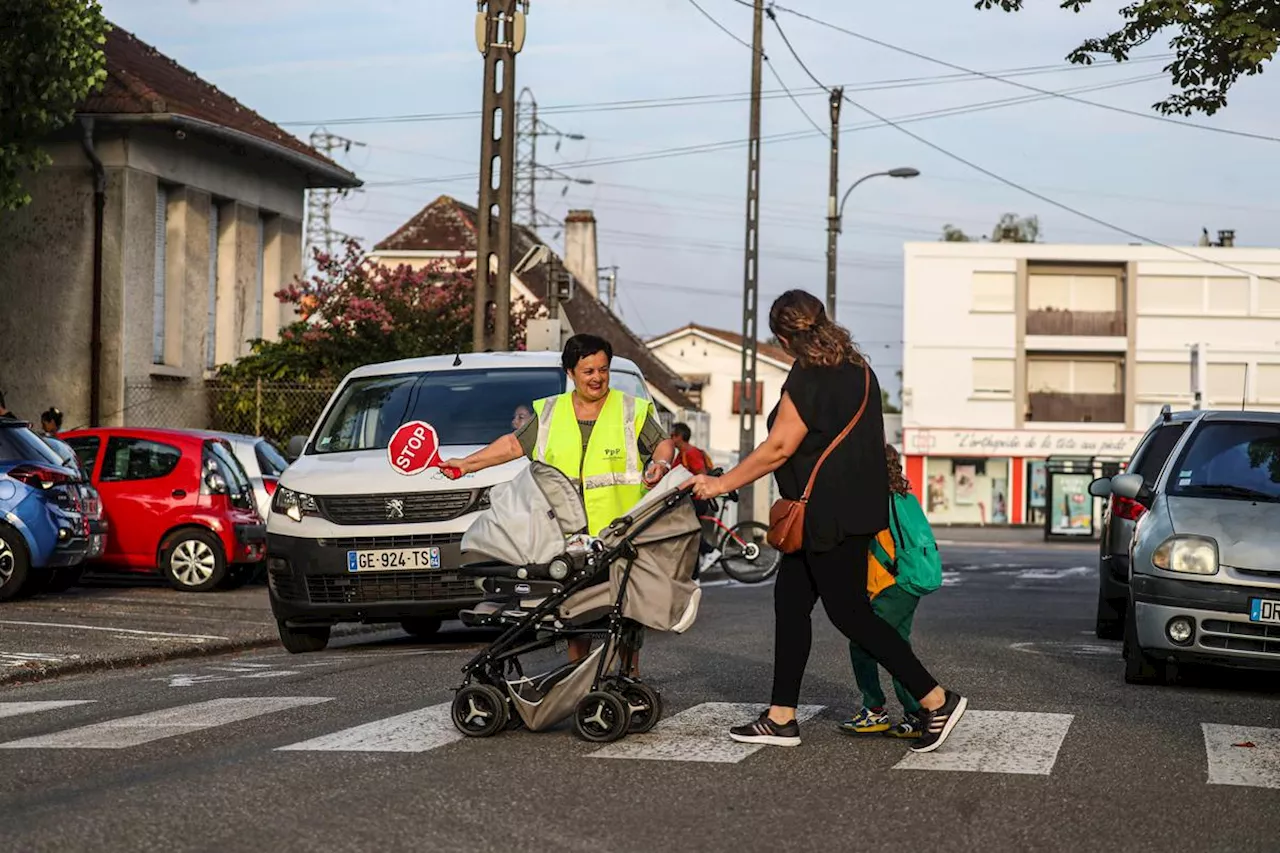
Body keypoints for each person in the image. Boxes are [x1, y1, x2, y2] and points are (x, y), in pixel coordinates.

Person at [686, 289, 967, 754]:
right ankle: (781, 717)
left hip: (823, 518)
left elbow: (779, 447)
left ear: (781, 336)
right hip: (852, 510)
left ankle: (935, 699)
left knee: (851, 614)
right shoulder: (861, 371)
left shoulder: (808, 376)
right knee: (791, 603)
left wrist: (719, 484)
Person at [443, 333, 678, 665]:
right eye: (588, 371)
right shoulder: (551, 412)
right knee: (573, 611)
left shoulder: (630, 410)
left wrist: (660, 463)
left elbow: (662, 443)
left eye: (603, 369)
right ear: (571, 373)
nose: (597, 378)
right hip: (566, 534)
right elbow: (512, 445)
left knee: (624, 612)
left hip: (619, 531)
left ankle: (628, 676)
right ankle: (576, 675)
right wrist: (466, 464)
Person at [839, 444, 928, 740]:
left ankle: (874, 709)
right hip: (911, 581)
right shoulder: (904, 498)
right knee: (897, 647)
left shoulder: (874, 502)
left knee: (864, 643)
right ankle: (916, 714)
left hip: (890, 585)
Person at [671, 423, 718, 576]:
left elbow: (701, 473)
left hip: (697, 499)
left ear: (680, 436)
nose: (671, 439)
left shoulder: (691, 453)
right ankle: (694, 573)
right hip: (689, 499)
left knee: (688, 532)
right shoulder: (681, 454)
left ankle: (710, 551)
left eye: (673, 436)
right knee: (689, 533)